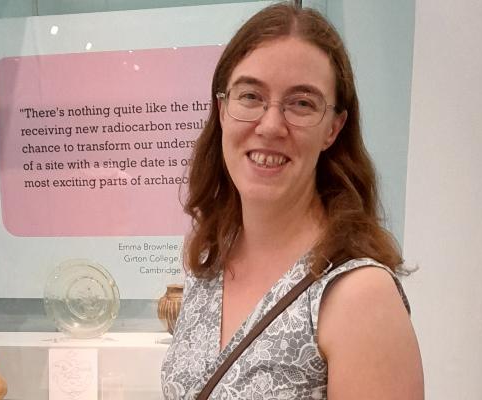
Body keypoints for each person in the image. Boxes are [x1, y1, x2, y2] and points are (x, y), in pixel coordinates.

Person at [160, 3, 423, 399]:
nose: (270, 125)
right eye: (250, 96)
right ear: (222, 109)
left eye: (302, 103)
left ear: (333, 129)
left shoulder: (358, 296)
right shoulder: (210, 263)